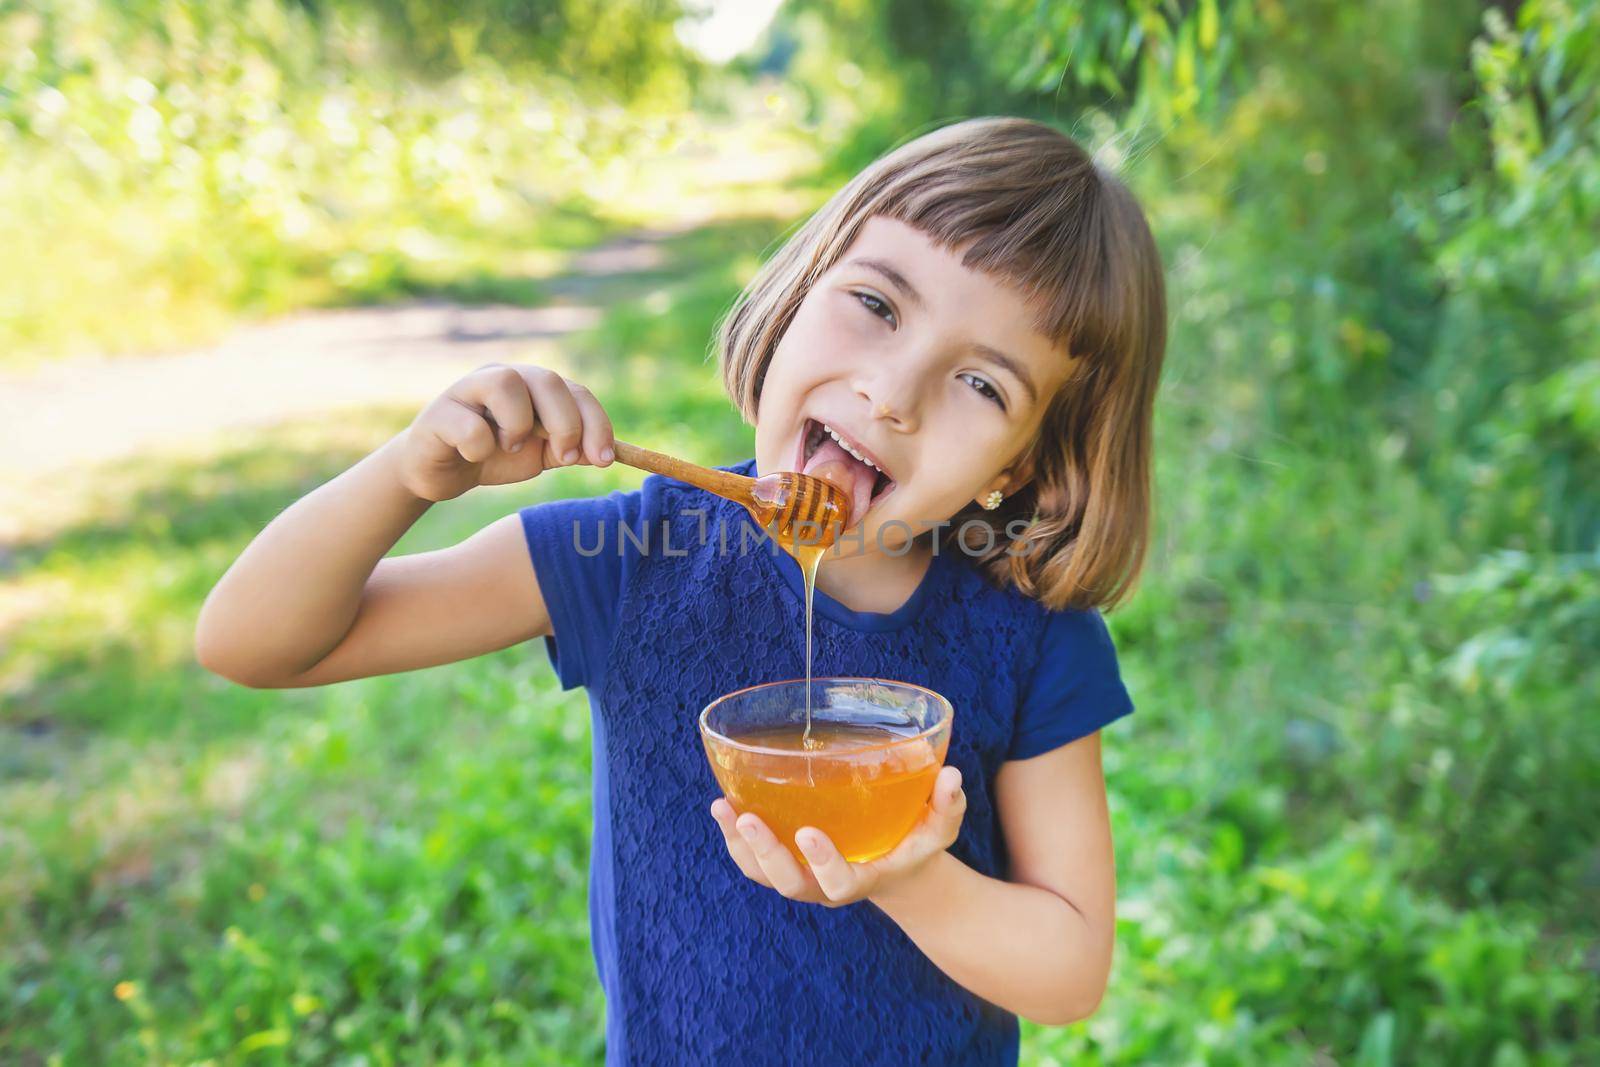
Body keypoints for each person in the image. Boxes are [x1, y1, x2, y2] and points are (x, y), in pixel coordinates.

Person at [195, 116, 1167, 1065]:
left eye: (983, 385)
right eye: (876, 305)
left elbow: (1069, 971)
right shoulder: (635, 553)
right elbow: (257, 641)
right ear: (797, 294)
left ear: (1020, 463)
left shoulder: (1028, 637)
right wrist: (407, 474)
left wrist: (905, 873)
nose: (891, 392)